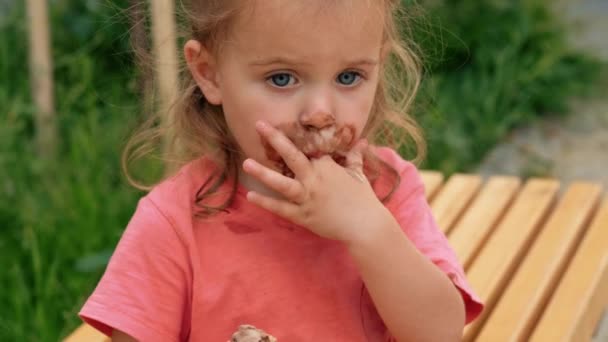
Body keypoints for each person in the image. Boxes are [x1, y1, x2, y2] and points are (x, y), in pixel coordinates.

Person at [79, 0, 483, 341]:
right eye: (282, 78)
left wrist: (368, 229)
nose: (320, 113)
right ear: (209, 72)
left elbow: (441, 333)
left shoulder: (387, 189)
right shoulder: (175, 223)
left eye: (349, 77)